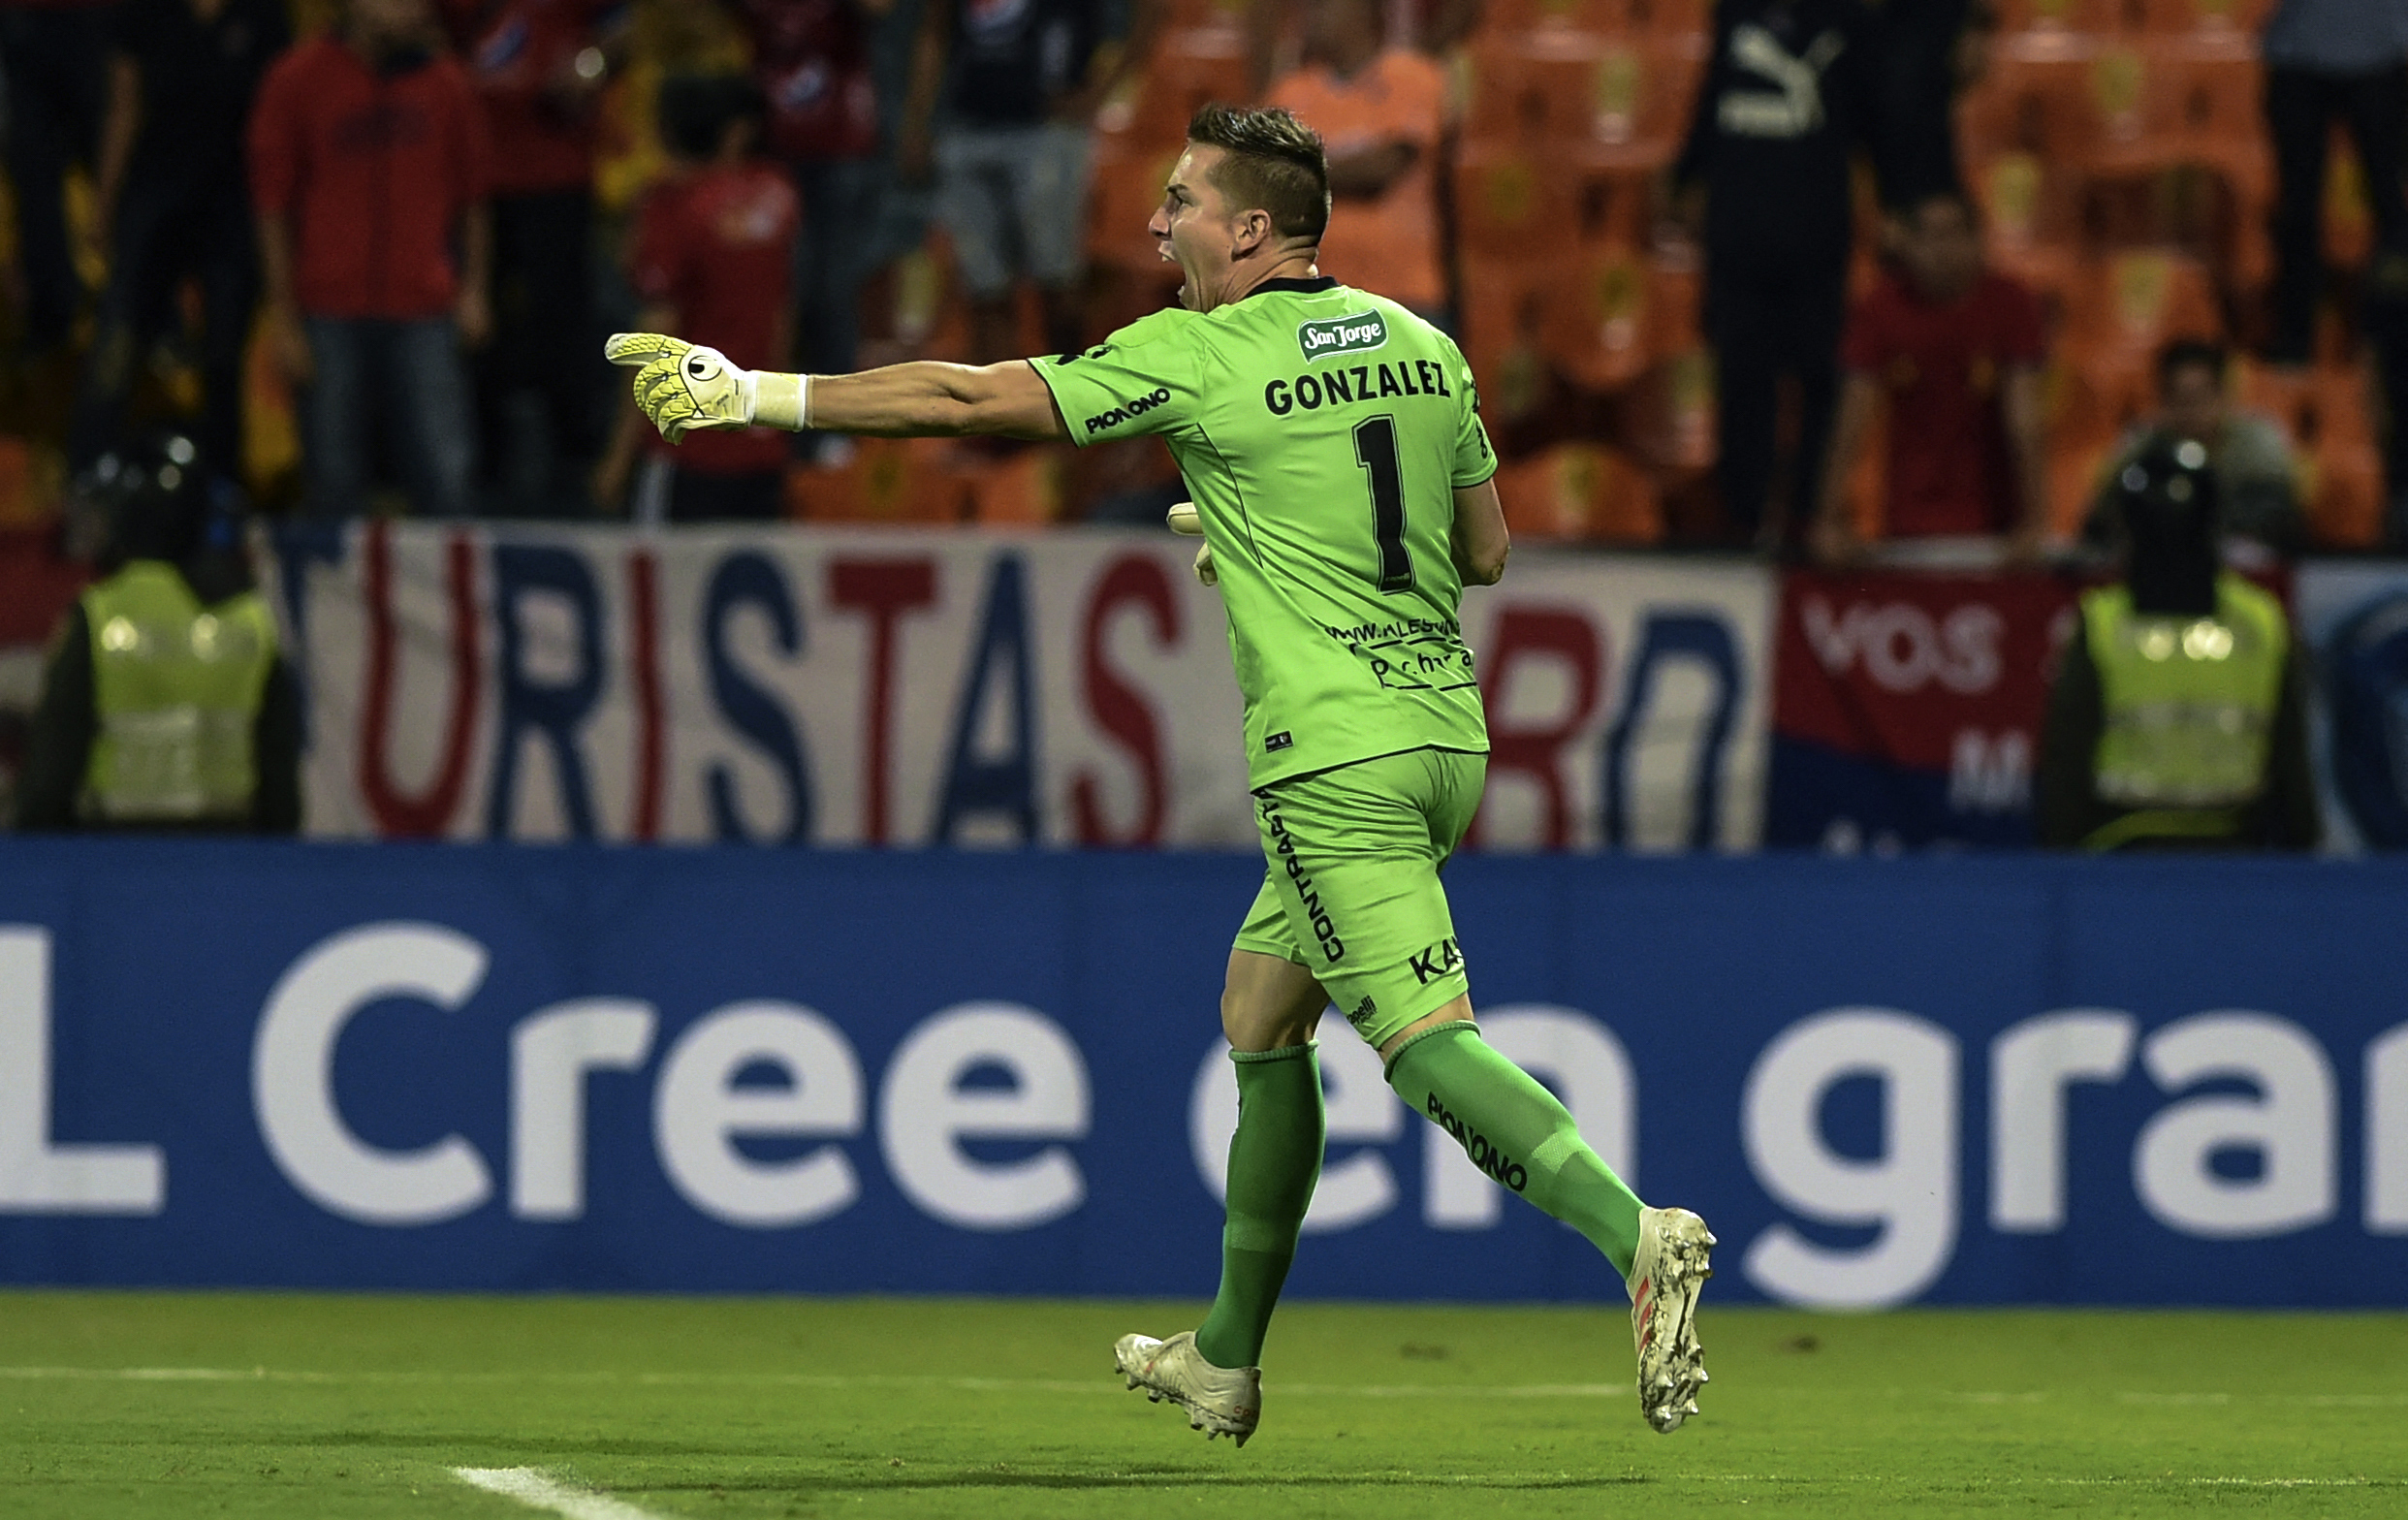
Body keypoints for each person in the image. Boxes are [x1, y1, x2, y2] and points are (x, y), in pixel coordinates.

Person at [606, 102, 1715, 1443]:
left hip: (1333, 755)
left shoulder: (1198, 353)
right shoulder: (1427, 346)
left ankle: (1631, 1234)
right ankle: (1226, 1359)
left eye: (1182, 202)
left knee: (1423, 1047)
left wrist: (751, 393)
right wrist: (1253, 529)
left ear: (1251, 230)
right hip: (1442, 741)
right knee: (1263, 1016)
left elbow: (970, 397)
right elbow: (1480, 555)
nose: (1154, 221)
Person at [247, 0, 492, 519]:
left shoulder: (447, 83)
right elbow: (273, 209)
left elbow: (473, 198)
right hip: (328, 308)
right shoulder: (297, 79)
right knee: (333, 478)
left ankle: (448, 596)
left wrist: (474, 291)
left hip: (425, 305)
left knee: (446, 474)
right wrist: (285, 318)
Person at [2039, 438, 2318, 851]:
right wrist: (2300, 852)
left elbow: (2065, 764)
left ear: (2128, 526)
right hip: (2232, 855)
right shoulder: (2261, 622)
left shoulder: (2102, 624)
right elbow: (2292, 764)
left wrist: (2061, 869)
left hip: (2122, 855)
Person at [16, 430, 300, 833]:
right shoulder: (251, 616)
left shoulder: (101, 615)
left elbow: (53, 766)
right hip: (232, 860)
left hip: (114, 857)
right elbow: (279, 772)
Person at [1671, 0, 1876, 547]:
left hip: (1816, 236)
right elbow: (1714, 95)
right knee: (1741, 385)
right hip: (1738, 236)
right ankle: (1742, 517)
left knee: (1820, 380)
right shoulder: (1736, 12)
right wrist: (1687, 175)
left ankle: (1808, 518)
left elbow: (1871, 116)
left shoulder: (1848, 21)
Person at [68, 0, 290, 486]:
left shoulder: (262, 15)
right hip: (155, 196)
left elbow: (277, 120)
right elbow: (124, 108)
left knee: (223, 356)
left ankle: (220, 496)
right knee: (116, 346)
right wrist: (105, 205)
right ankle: (87, 487)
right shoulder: (147, 13)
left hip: (231, 205)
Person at [441, 0, 627, 516]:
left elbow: (620, 26)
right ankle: (486, 465)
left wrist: (590, 66)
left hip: (556, 170)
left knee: (563, 322)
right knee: (482, 329)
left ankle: (576, 463)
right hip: (476, 175)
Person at [898, 0, 1160, 363]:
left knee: (1057, 281)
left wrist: (1100, 91)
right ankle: (994, 410)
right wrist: (917, 121)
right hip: (966, 125)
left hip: (1046, 130)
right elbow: (934, 29)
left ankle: (1069, 400)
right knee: (983, 288)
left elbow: (1152, 11)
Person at [594, 75, 798, 522]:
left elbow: (654, 339)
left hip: (687, 447)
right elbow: (783, 315)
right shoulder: (778, 196)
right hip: (762, 439)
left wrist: (617, 459)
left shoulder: (671, 211)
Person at [1813, 189, 2049, 562]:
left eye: (1957, 234)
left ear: (1978, 240)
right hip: (1907, 520)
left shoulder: (2011, 305)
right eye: (1931, 236)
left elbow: (2023, 419)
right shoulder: (1880, 310)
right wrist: (1828, 517)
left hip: (1996, 526)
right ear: (1905, 243)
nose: (1945, 250)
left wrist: (2035, 519)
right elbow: (1853, 419)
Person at [733, 0, 892, 454]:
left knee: (831, 294)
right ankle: (778, 424)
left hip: (841, 151)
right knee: (784, 294)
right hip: (775, 153)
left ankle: (835, 429)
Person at [1265, 0, 1450, 327]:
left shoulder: (1414, 76)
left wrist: (1298, 168)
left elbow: (1382, 169)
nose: (1311, 15)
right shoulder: (1290, 91)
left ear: (1364, 10)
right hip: (1311, 300)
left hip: (1403, 297)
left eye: (1323, 6)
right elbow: (1265, 176)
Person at [2088, 340, 2302, 555]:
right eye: (2180, 400)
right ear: (2163, 401)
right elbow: (2104, 517)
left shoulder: (2258, 444)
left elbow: (2278, 517)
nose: (2191, 412)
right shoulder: (2141, 447)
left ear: (2222, 396)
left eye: (2199, 398)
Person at [0, 0, 108, 357]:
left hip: (93, 18)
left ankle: (152, 313)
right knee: (33, 173)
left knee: (116, 160)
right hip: (25, 20)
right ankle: (51, 315)